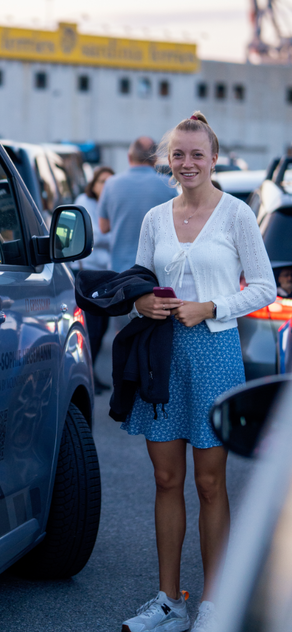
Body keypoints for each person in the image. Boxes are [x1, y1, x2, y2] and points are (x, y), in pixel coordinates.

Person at [120, 112, 276, 632]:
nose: (187, 163)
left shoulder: (236, 215)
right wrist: (141, 302)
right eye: (178, 155)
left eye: (196, 155)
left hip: (214, 355)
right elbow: (138, 282)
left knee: (210, 484)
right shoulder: (154, 218)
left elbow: (264, 288)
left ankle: (214, 603)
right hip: (160, 357)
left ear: (213, 159)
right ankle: (169, 600)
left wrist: (211, 307)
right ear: (169, 160)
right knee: (166, 478)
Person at [98, 136, 176, 275]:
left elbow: (103, 227)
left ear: (129, 157)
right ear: (155, 159)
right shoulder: (168, 185)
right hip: (157, 271)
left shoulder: (110, 184)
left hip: (120, 271)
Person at [74, 166, 115, 393]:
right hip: (87, 273)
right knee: (91, 328)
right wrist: (109, 234)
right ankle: (85, 376)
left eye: (110, 182)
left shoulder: (113, 204)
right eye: (102, 182)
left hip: (107, 275)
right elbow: (93, 236)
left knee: (101, 328)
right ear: (94, 184)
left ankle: (92, 373)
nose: (106, 187)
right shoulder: (84, 202)